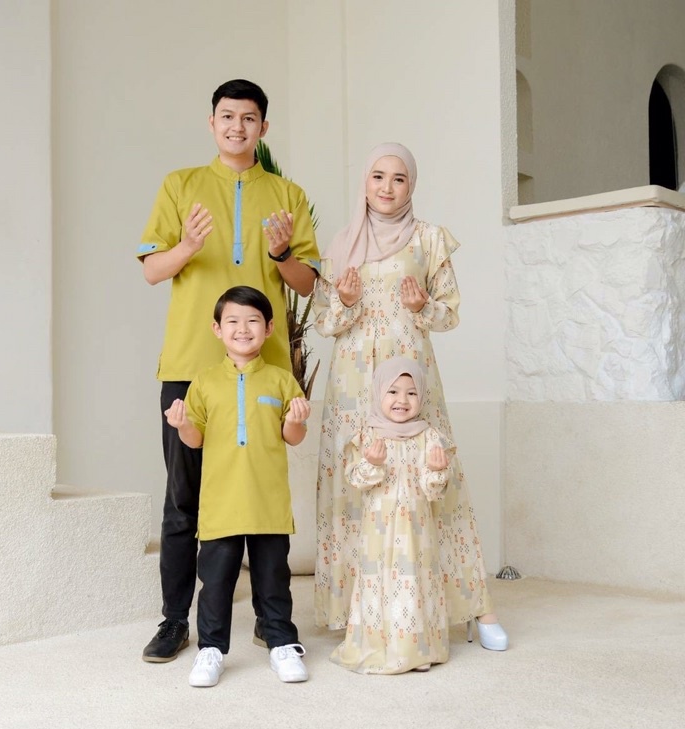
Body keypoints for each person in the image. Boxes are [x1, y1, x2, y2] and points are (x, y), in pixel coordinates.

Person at [136, 79, 319, 663]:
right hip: (191, 367)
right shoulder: (181, 185)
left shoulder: (287, 195)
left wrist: (282, 254)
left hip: (264, 373)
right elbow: (152, 270)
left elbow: (307, 284)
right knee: (182, 502)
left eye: (248, 118)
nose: (237, 126)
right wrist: (187, 246)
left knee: (261, 500)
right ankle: (174, 621)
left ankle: (271, 620)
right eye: (226, 116)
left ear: (264, 128)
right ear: (211, 123)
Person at [312, 142, 508, 651]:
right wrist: (346, 302)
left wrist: (422, 307)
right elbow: (324, 321)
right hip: (354, 382)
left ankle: (474, 607)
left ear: (411, 185)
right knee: (358, 481)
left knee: (435, 476)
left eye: (398, 178)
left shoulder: (429, 239)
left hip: (410, 376)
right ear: (365, 182)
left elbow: (449, 314)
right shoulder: (342, 243)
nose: (386, 187)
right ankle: (360, 610)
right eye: (377, 176)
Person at [166, 286, 310, 687]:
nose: (242, 329)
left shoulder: (281, 380)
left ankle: (282, 643)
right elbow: (196, 439)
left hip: (268, 503)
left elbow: (293, 437)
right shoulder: (204, 382)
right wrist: (182, 425)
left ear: (269, 328)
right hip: (221, 503)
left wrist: (295, 420)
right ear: (217, 329)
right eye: (232, 321)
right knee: (215, 582)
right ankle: (211, 649)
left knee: (273, 579)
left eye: (252, 321)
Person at [332, 358, 451, 674]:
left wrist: (437, 471)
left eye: (412, 393)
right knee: (381, 580)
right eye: (393, 391)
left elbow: (433, 490)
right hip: (379, 528)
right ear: (378, 393)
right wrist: (371, 463)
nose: (402, 400)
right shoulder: (368, 434)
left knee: (414, 579)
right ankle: (380, 646)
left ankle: (416, 649)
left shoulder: (428, 436)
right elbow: (356, 480)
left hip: (416, 528)